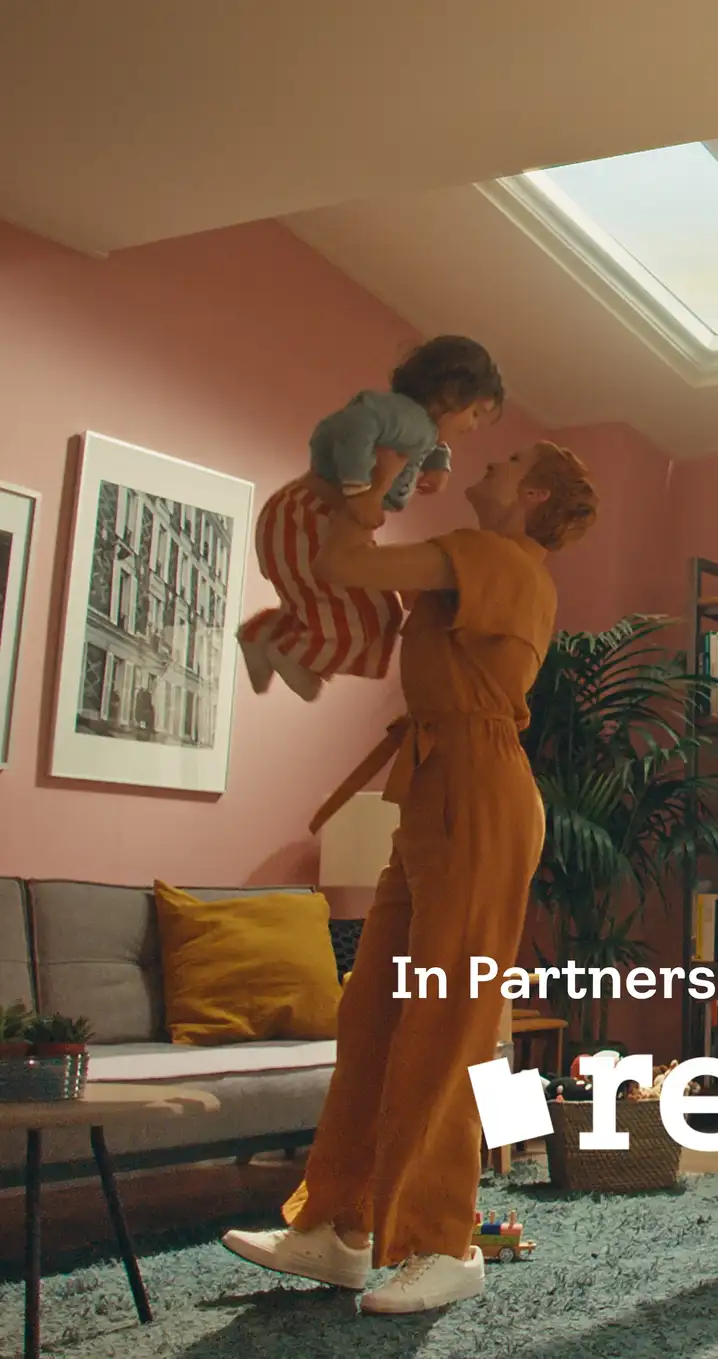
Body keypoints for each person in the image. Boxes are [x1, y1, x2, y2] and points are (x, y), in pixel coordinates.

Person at [220, 440, 597, 1315]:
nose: (486, 464)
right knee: (374, 1011)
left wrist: (377, 466)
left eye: (507, 463)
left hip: (479, 790)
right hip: (434, 786)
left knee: (443, 1022)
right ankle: (338, 1226)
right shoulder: (477, 564)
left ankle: (443, 1241)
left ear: (534, 492)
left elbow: (347, 562)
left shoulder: (493, 556)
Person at [236, 335, 504, 702]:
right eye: (474, 413)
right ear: (450, 394)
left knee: (350, 607)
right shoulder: (404, 418)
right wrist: (359, 489)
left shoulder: (415, 424)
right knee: (367, 610)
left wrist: (439, 465)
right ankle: (291, 653)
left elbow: (428, 442)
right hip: (309, 515)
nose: (473, 426)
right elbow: (359, 421)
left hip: (307, 514)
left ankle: (265, 636)